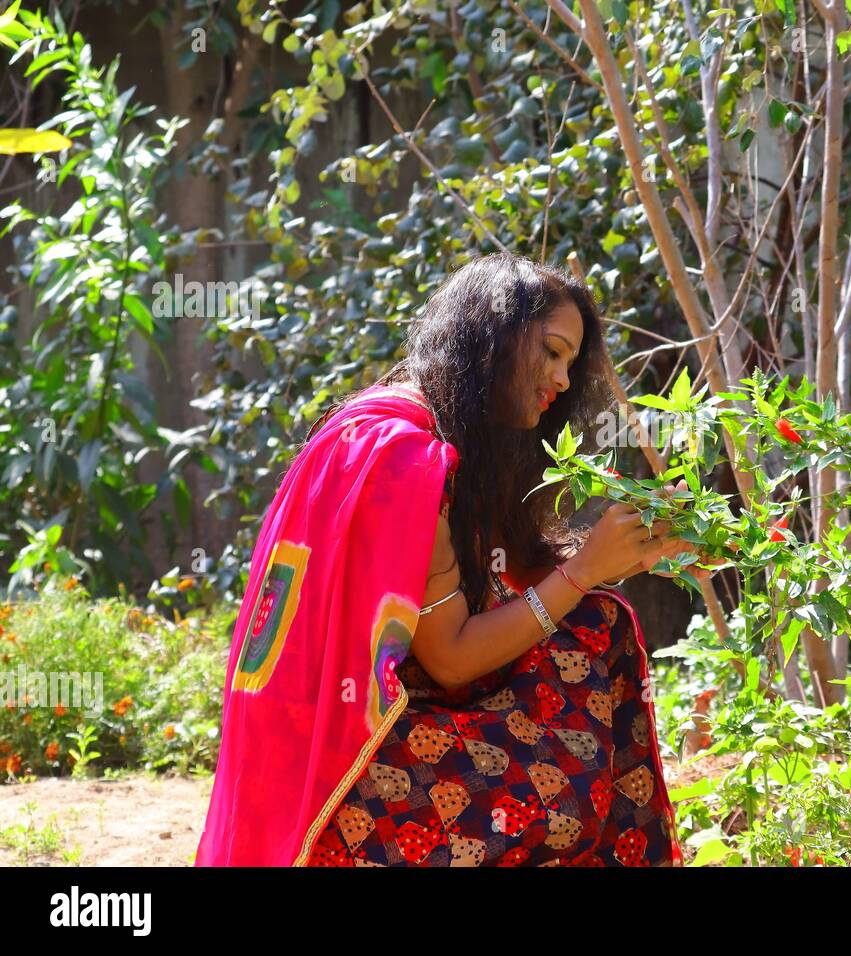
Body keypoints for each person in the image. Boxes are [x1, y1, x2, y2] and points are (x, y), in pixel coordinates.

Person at [194, 253, 707, 867]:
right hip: (341, 770)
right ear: (494, 337)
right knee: (563, 794)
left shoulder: (446, 434)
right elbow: (454, 658)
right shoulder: (405, 457)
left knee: (600, 625)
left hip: (383, 719)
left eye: (571, 362)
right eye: (551, 351)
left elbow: (530, 573)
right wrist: (586, 569)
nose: (564, 380)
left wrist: (632, 544)